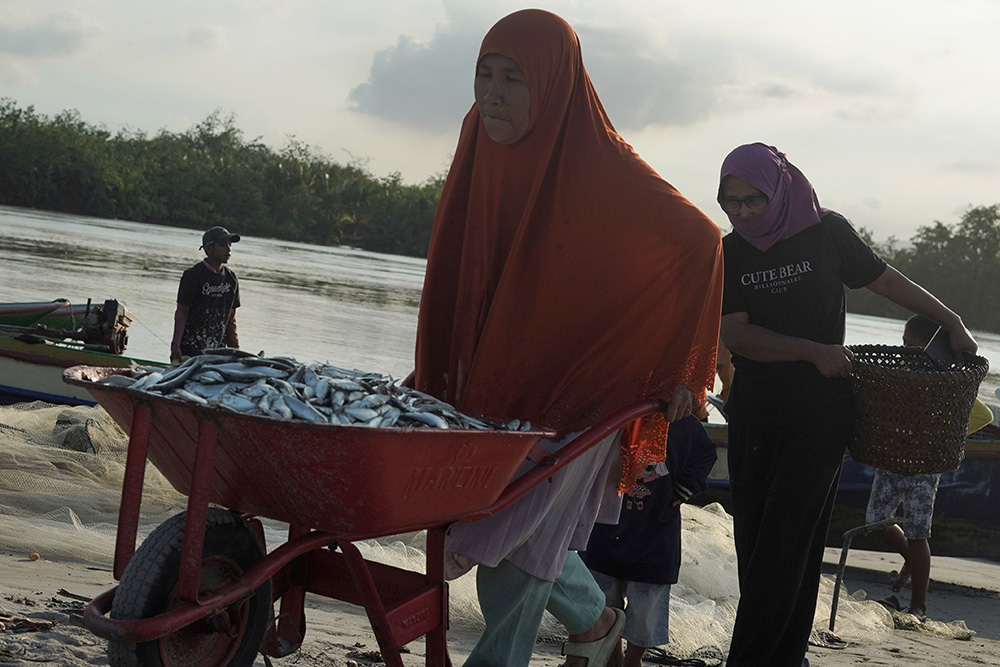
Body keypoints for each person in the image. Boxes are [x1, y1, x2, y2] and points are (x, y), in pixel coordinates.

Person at [413, 10, 725, 667]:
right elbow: (465, 256)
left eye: (512, 79)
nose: (492, 93)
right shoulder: (482, 135)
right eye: (484, 75)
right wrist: (448, 365)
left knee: (516, 544)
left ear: (553, 84)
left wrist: (680, 370)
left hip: (585, 385)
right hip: (502, 376)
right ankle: (594, 617)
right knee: (494, 526)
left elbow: (698, 240)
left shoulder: (601, 161)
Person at [717, 142, 977, 667]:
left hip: (819, 418)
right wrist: (811, 351)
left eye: (754, 200)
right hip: (754, 414)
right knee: (755, 543)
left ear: (781, 190)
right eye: (730, 201)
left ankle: (751, 660)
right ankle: (786, 655)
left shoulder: (827, 232)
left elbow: (884, 280)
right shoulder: (730, 250)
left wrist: (950, 319)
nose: (742, 212)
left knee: (790, 542)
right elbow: (733, 334)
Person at [866, 314, 993, 622]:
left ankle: (919, 604)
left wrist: (944, 434)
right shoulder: (903, 372)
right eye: (903, 342)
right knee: (875, 521)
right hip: (892, 458)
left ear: (930, 347)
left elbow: (983, 415)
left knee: (918, 532)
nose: (904, 348)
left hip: (924, 466)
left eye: (911, 344)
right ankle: (911, 559)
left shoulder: (946, 380)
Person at [580, 415, 718, 667]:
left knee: (646, 612)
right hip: (602, 535)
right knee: (601, 604)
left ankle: (633, 661)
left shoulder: (682, 422)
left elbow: (706, 453)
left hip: (655, 539)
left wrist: (686, 486)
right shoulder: (614, 411)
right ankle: (613, 659)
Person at [170, 226, 241, 364]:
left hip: (218, 353)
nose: (228, 249)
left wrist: (236, 352)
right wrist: (175, 346)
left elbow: (231, 319)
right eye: (222, 245)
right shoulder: (192, 275)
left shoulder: (231, 279)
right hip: (190, 350)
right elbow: (182, 312)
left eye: (229, 244)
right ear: (209, 249)